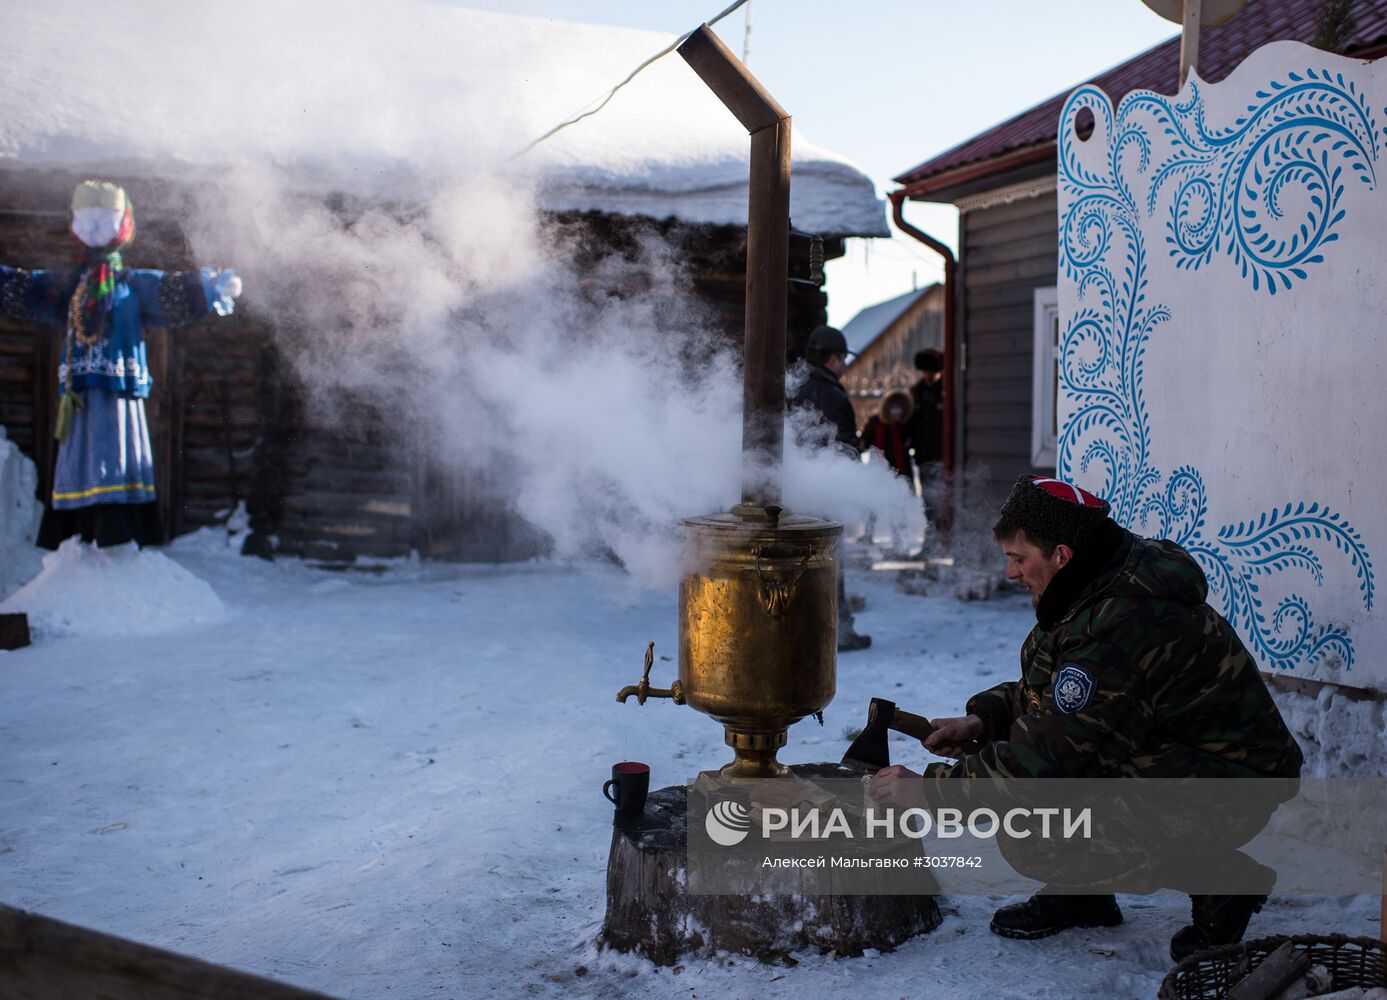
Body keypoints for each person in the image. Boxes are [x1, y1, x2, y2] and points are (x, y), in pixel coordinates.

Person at [870, 474, 1303, 960]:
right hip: (1177, 756)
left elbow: (1047, 759)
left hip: (1227, 786)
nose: (1010, 574)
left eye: (1019, 559)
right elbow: (1068, 698)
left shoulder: (1118, 622)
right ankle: (1086, 895)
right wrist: (983, 719)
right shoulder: (1098, 583)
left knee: (1031, 835)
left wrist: (930, 791)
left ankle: (1224, 881)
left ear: (1061, 555)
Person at [0, 180, 243, 549]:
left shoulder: (133, 283)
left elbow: (169, 292)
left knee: (118, 450)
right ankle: (76, 533)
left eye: (104, 219)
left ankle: (117, 531)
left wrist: (209, 289)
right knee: (79, 451)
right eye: (86, 219)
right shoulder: (65, 285)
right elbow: (29, 290)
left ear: (123, 224)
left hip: (119, 389)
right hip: (79, 390)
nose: (95, 227)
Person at [789, 324, 870, 651]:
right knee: (830, 564)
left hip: (798, 490)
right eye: (843, 358)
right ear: (834, 358)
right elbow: (844, 448)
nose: (845, 365)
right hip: (824, 494)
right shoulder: (832, 394)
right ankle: (839, 632)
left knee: (803, 565)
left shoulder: (796, 387)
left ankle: (802, 628)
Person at [859, 389, 915, 554]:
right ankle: (868, 537)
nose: (897, 415)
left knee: (897, 509)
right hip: (877, 472)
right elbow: (864, 442)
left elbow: (911, 444)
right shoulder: (875, 423)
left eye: (899, 411)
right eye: (894, 411)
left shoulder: (905, 426)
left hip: (899, 473)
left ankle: (899, 540)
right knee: (871, 507)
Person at [908, 349, 944, 537]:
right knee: (928, 500)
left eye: (931, 371)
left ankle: (942, 538)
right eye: (925, 371)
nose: (927, 375)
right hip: (923, 454)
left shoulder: (945, 391)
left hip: (942, 454)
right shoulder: (916, 392)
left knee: (941, 498)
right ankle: (930, 540)